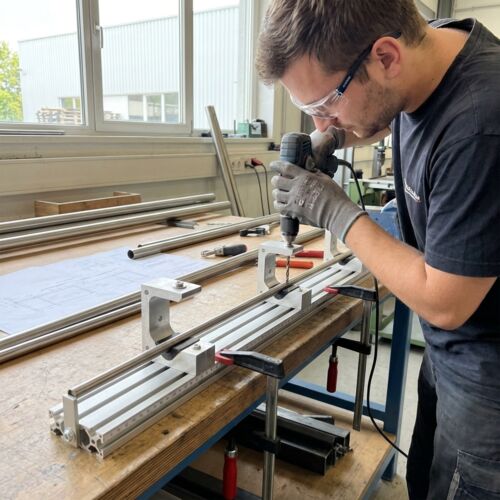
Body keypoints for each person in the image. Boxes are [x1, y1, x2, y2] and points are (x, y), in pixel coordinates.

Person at [256, 1, 500, 499]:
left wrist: (336, 212)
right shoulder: (427, 52)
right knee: (426, 476)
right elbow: (396, 109)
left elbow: (446, 303)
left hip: (487, 372)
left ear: (385, 57)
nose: (320, 120)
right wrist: (334, 133)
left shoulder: (481, 124)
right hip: (453, 353)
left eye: (326, 103)